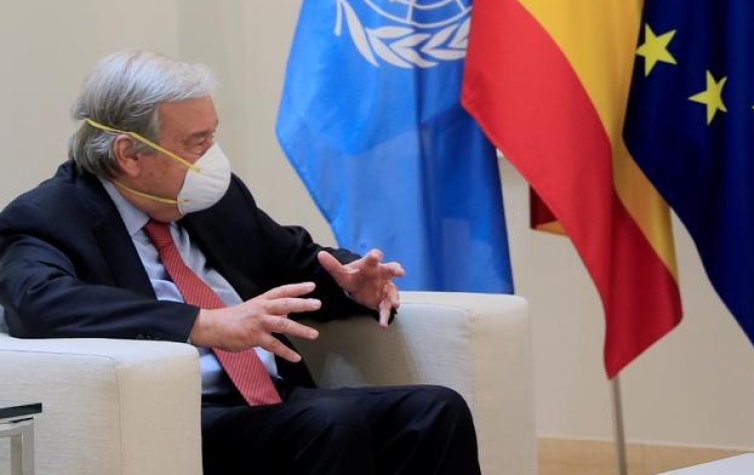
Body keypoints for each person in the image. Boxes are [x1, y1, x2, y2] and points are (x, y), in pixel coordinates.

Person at [0, 51, 481, 475]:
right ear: (129, 153)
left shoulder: (213, 199)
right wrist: (202, 325)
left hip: (270, 401)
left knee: (435, 410)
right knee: (327, 423)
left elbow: (292, 258)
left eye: (213, 136)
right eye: (196, 141)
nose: (213, 158)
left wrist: (353, 284)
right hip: (182, 416)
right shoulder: (48, 217)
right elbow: (39, 302)